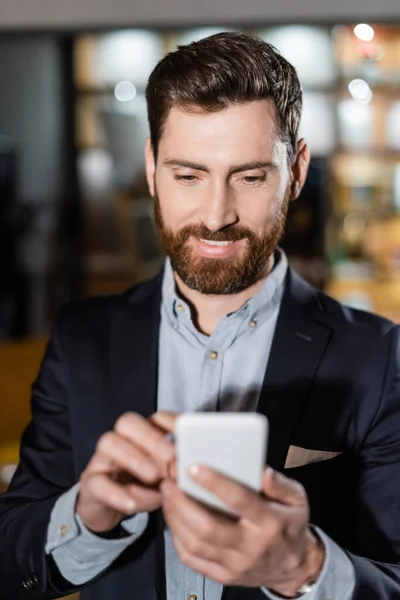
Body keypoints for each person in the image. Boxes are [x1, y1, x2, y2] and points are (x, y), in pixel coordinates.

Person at [1, 32, 399, 600]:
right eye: (189, 176)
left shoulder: (381, 356)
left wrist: (303, 568)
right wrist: (84, 517)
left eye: (250, 176)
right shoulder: (81, 337)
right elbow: (10, 555)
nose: (216, 216)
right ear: (151, 166)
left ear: (298, 171)